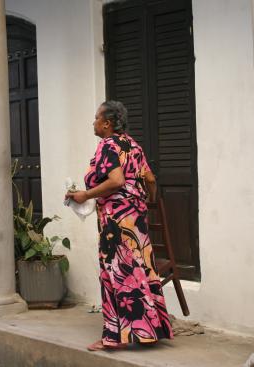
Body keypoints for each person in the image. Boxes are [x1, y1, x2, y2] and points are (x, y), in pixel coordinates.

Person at [65, 100, 173, 351]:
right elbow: (150, 178)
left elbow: (116, 180)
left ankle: (113, 337)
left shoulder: (107, 145)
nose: (93, 122)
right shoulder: (133, 145)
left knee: (116, 273)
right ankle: (150, 332)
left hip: (116, 220)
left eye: (96, 118)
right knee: (142, 269)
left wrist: (86, 195)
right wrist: (148, 200)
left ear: (107, 123)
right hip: (136, 217)